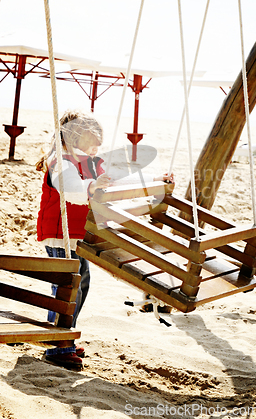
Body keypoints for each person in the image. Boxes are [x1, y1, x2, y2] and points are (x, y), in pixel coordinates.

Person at [36, 109, 174, 370]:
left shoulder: (91, 162)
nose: (99, 144)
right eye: (94, 138)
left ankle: (61, 335)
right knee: (67, 287)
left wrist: (154, 179)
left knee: (80, 284)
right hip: (60, 234)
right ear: (75, 137)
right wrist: (92, 186)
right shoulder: (60, 162)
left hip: (80, 235)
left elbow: (119, 180)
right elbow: (72, 191)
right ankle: (57, 345)